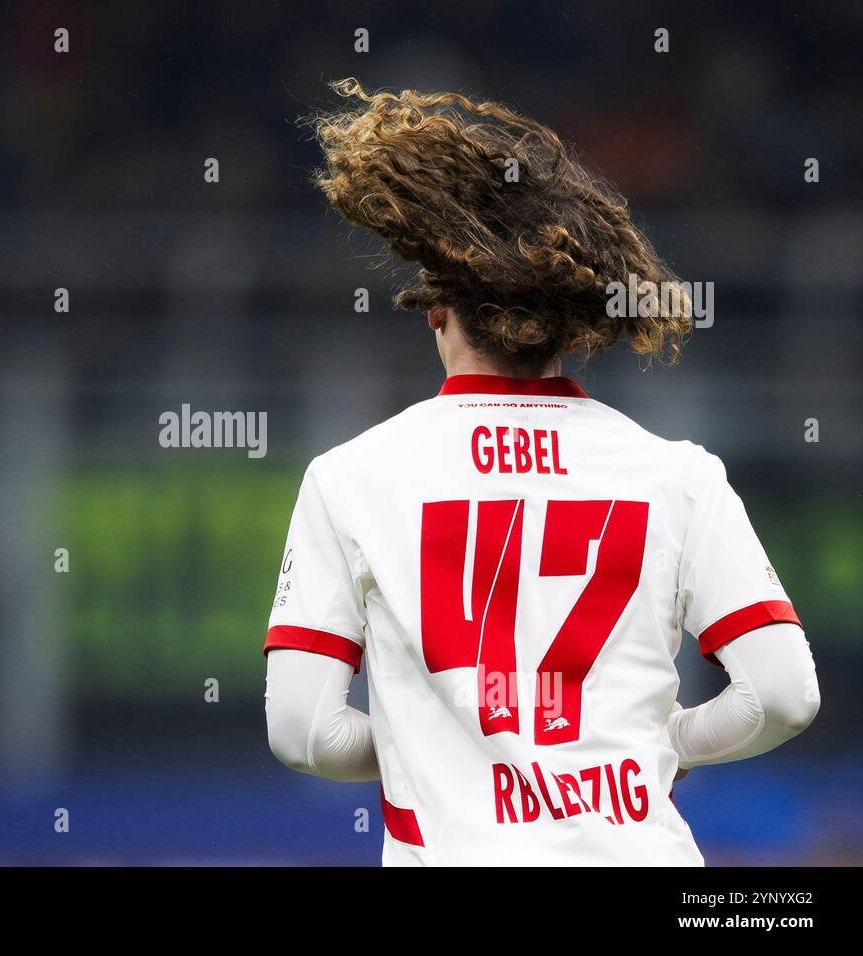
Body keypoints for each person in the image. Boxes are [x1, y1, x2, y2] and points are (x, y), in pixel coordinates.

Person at [263, 80, 819, 865]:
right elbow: (784, 696)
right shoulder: (677, 474)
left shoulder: (351, 476)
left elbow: (302, 731)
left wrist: (447, 752)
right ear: (572, 318)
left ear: (435, 310)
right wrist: (659, 744)